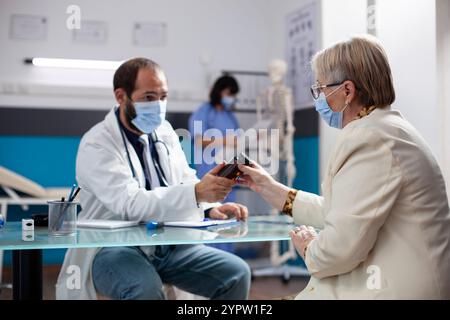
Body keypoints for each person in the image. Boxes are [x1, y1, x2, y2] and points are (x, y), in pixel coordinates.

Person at [237, 35, 450, 299]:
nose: (319, 98)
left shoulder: (371, 139)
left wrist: (309, 247)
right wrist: (267, 186)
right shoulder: (384, 129)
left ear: (347, 91)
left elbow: (339, 250)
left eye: (321, 89)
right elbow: (341, 211)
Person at [55, 58, 251, 300]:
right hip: (114, 247)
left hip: (166, 245)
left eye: (163, 96)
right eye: (149, 97)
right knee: (145, 289)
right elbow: (129, 203)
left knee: (236, 273)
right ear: (121, 96)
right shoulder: (97, 144)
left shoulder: (165, 131)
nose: (158, 105)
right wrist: (197, 193)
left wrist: (211, 208)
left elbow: (184, 177)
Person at [189, 75, 240, 202]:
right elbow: (199, 141)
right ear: (218, 91)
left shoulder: (230, 116)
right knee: (211, 207)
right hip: (209, 167)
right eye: (229, 93)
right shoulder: (203, 112)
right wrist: (223, 141)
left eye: (233, 95)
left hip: (230, 169)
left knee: (230, 208)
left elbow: (237, 140)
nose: (231, 98)